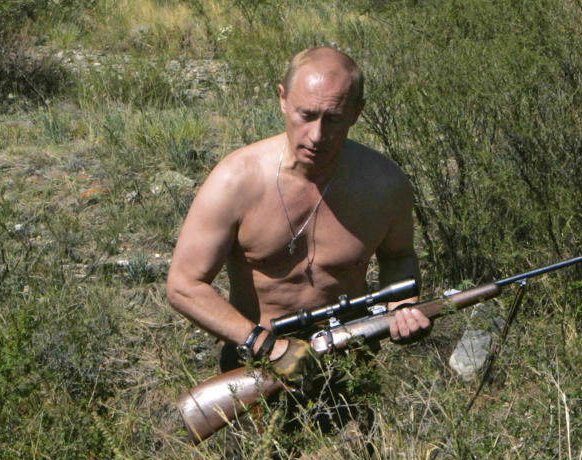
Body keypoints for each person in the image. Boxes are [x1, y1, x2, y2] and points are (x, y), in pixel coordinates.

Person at [167, 46, 430, 389]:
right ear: (283, 99)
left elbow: (398, 258)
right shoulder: (236, 180)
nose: (317, 136)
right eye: (306, 115)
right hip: (255, 367)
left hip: (350, 366)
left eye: (333, 119)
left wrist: (403, 309)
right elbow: (183, 285)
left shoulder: (384, 184)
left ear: (357, 113)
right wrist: (266, 346)